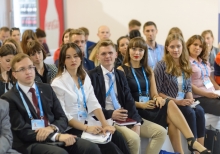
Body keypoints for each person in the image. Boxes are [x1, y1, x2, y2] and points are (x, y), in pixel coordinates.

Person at [118, 37, 211, 154]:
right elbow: (123, 99)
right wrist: (142, 105)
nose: (137, 53)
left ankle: (183, 149)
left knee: (171, 111)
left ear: (145, 52)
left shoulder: (147, 70)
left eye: (141, 50)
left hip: (150, 107)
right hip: (136, 110)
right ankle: (192, 142)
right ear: (128, 51)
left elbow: (154, 94)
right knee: (173, 109)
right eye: (134, 49)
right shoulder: (121, 70)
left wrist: (158, 99)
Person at [1, 53, 103, 154]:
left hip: (53, 132)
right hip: (31, 142)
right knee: (59, 153)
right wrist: (56, 136)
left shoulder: (46, 88)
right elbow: (22, 131)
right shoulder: (9, 98)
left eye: (30, 67)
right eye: (22, 69)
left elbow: (62, 117)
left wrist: (52, 128)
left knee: (91, 148)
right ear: (14, 74)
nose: (28, 72)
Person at [88, 39, 167, 154]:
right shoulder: (92, 76)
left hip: (125, 116)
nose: (107, 56)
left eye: (110, 53)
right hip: (107, 118)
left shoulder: (119, 74)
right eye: (103, 54)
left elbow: (129, 100)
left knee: (161, 132)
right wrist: (111, 114)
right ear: (97, 56)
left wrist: (137, 122)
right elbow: (92, 104)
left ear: (116, 54)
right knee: (134, 138)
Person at [51, 43, 130, 154]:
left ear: (80, 57)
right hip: (72, 127)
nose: (73, 60)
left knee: (117, 136)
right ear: (63, 60)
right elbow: (64, 116)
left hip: (88, 121)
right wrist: (87, 128)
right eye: (68, 57)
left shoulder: (84, 75)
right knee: (110, 149)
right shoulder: (58, 83)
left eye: (76, 56)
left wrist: (105, 124)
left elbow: (93, 102)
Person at [154, 34, 207, 153]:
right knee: (190, 113)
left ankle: (200, 148)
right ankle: (193, 147)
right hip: (170, 103)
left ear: (183, 47)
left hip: (183, 101)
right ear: (167, 48)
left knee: (199, 110)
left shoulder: (185, 64)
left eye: (178, 46)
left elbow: (188, 87)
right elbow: (157, 92)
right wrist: (178, 101)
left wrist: (190, 100)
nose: (176, 50)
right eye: (172, 47)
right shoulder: (161, 65)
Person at [187, 35, 220, 117]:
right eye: (195, 44)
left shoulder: (203, 61)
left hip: (212, 93)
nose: (198, 48)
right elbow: (188, 84)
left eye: (200, 46)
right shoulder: (186, 62)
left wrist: (219, 89)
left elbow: (209, 78)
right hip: (199, 96)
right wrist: (207, 94)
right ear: (188, 46)